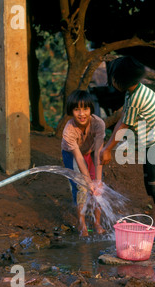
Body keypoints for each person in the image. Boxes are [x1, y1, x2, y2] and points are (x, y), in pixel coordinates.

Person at [100, 56, 155, 242]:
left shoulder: (137, 97)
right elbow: (124, 119)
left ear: (119, 80)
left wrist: (107, 149)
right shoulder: (133, 92)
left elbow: (124, 126)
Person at [61, 89, 106, 236]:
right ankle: (82, 224)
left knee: (98, 188)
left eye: (85, 109)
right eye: (77, 109)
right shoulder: (69, 130)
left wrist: (97, 181)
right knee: (82, 187)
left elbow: (99, 152)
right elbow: (79, 158)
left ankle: (97, 223)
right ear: (71, 111)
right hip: (72, 155)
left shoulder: (98, 124)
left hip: (92, 152)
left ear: (91, 109)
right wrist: (88, 181)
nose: (82, 114)